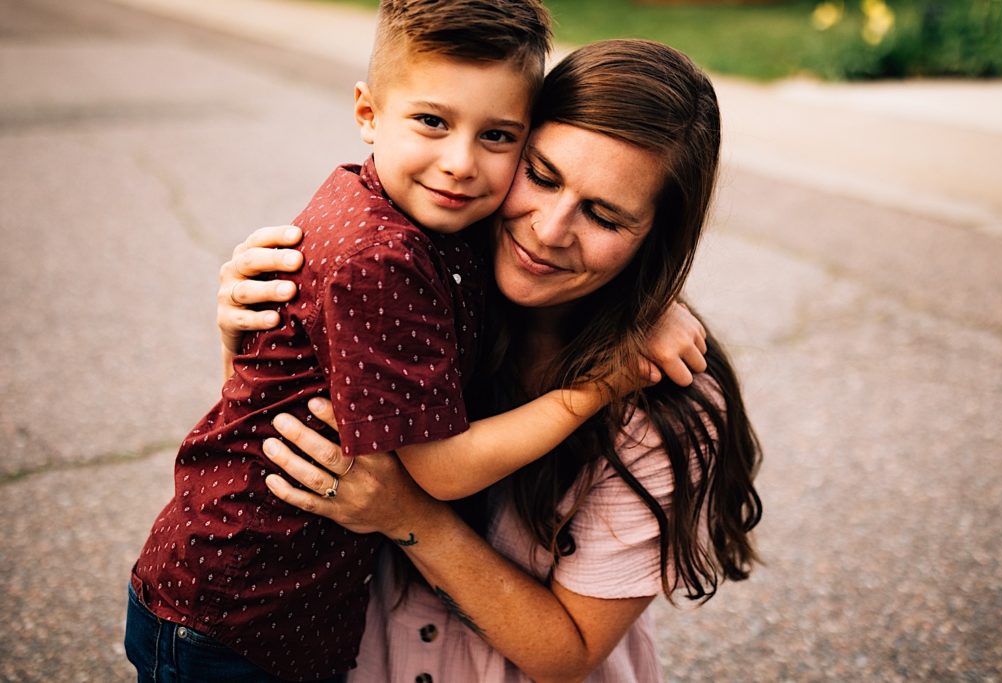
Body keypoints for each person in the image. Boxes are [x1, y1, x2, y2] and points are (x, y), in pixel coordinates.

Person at [219, 39, 762, 682]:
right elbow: (276, 449)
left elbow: (568, 653)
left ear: (656, 243)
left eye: (604, 216)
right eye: (542, 175)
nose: (550, 229)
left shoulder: (665, 401)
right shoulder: (411, 289)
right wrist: (248, 334)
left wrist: (407, 515)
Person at [124, 2, 627, 681]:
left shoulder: (435, 221)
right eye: (432, 121)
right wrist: (597, 386)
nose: (460, 164)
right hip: (236, 608)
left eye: (498, 136)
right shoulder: (377, 259)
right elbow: (437, 470)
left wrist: (655, 307)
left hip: (288, 602)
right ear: (367, 112)